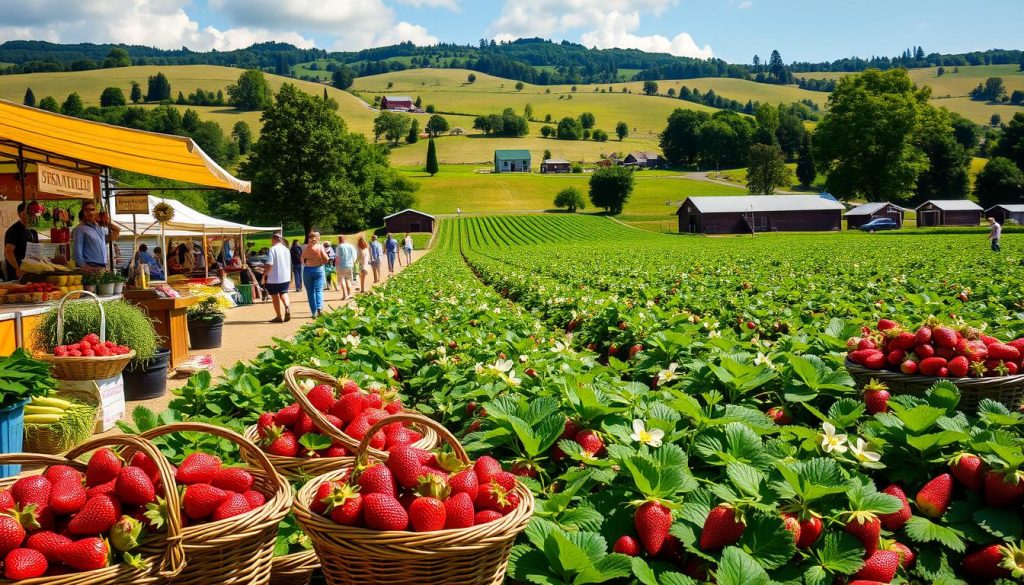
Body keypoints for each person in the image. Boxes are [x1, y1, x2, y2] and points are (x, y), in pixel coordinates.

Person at [72, 201, 120, 270]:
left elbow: (117, 231)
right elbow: (77, 251)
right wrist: (84, 266)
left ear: (96, 212)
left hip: (102, 266)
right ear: (83, 212)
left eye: (92, 210)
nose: (90, 212)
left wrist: (107, 222)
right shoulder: (80, 229)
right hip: (90, 265)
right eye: (86, 210)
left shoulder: (99, 228)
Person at [4, 203, 40, 281]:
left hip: (29, 271)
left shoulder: (32, 231)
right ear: (21, 214)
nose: (33, 216)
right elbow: (8, 252)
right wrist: (17, 269)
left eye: (33, 213)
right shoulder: (13, 230)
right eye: (30, 213)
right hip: (17, 274)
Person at [263, 232, 292, 323]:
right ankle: (287, 306)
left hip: (273, 278)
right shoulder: (286, 249)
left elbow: (270, 264)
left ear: (274, 239)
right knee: (284, 293)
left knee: (275, 296)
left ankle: (279, 316)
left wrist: (264, 275)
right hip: (285, 277)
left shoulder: (272, 249)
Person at [300, 231, 329, 317]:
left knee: (310, 292)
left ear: (309, 239)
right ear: (316, 239)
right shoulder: (320, 247)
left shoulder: (306, 248)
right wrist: (321, 261)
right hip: (318, 269)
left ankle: (314, 312)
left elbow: (302, 260)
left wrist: (307, 262)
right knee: (319, 290)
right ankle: (319, 307)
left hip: (307, 270)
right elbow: (326, 259)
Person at [335, 235, 356, 300]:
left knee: (342, 280)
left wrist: (336, 265)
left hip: (341, 265)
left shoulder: (339, 247)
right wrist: (352, 262)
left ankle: (345, 295)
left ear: (339, 240)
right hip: (349, 265)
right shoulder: (350, 246)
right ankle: (349, 294)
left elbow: (337, 257)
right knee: (348, 279)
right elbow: (354, 255)